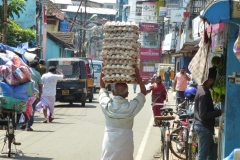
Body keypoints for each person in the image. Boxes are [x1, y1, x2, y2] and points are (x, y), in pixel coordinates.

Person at [99, 66, 147, 160]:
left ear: (113, 92)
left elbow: (102, 87)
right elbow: (143, 93)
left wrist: (104, 70)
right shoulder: (131, 107)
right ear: (127, 94)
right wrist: (138, 76)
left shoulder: (107, 105)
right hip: (126, 142)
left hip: (109, 141)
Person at [194, 67, 224, 160]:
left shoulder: (201, 90)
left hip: (204, 128)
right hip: (204, 128)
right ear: (210, 80)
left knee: (212, 155)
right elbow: (204, 114)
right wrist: (219, 112)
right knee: (202, 156)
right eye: (215, 81)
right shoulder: (204, 93)